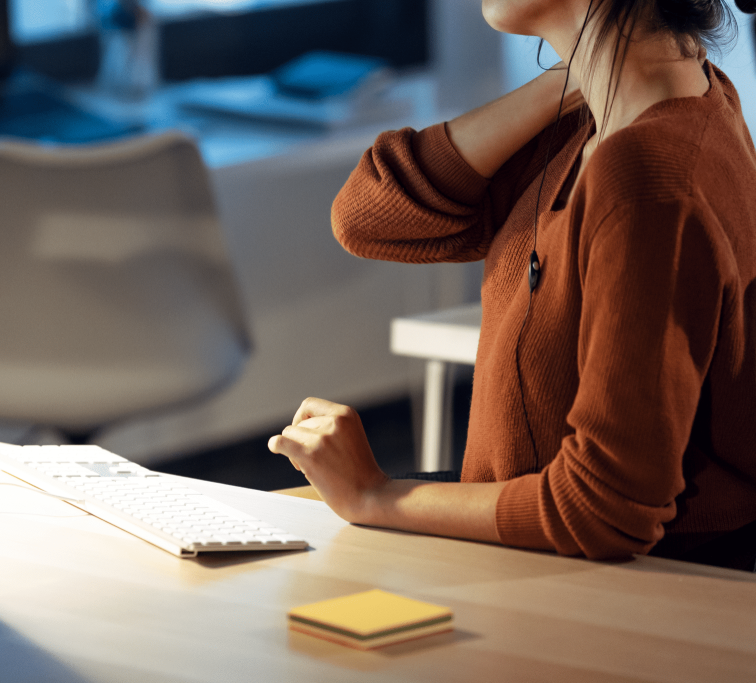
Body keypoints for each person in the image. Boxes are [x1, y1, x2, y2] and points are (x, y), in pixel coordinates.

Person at [268, 0, 756, 570]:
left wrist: (373, 494)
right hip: (538, 559)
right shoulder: (621, 115)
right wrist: (582, 70)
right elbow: (369, 215)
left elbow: (603, 510)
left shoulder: (647, 176)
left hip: (614, 592)